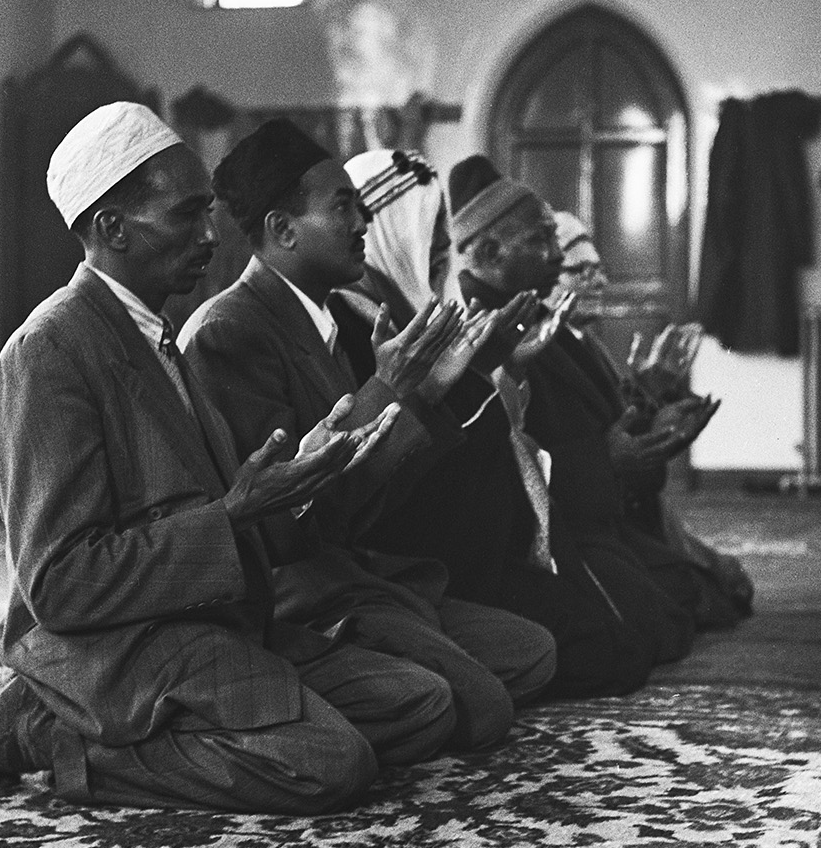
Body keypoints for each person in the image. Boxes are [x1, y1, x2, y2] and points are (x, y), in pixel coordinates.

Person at [0, 101, 457, 812]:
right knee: (330, 762)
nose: (212, 234)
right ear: (112, 228)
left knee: (424, 704)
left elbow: (228, 510)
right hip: (116, 647)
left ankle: (183, 727)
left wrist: (297, 477)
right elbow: (60, 584)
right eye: (187, 214)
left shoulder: (159, 335)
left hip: (210, 621)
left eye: (208, 212)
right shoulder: (49, 351)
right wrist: (232, 515)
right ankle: (55, 731)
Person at [180, 120, 557, 749]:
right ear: (282, 229)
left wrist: (426, 392)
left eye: (360, 207)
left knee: (532, 651)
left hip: (357, 575)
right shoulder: (231, 332)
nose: (361, 224)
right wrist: (390, 391)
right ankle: (282, 706)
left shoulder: (324, 319)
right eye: (343, 207)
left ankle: (383, 680)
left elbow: (372, 499)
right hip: (296, 596)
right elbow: (278, 521)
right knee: (474, 706)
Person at [343, 150, 662, 698]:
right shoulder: (368, 323)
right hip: (429, 560)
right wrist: (496, 368)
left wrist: (504, 366)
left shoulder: (447, 313)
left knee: (645, 623)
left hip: (493, 537)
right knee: (608, 644)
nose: (449, 256)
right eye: (436, 243)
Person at [451, 157, 702, 668]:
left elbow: (584, 421)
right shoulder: (480, 321)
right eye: (541, 240)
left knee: (683, 605)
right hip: (529, 536)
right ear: (491, 251)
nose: (553, 255)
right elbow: (502, 456)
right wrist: (606, 459)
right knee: (632, 645)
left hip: (583, 511)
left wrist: (649, 413)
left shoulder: (533, 313)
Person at [549, 211, 753, 626]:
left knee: (725, 588)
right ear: (545, 276)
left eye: (599, 270)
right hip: (584, 527)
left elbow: (617, 428)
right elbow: (575, 460)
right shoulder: (540, 351)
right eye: (579, 271)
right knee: (693, 599)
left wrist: (658, 398)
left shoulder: (585, 343)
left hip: (623, 510)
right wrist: (650, 424)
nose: (599, 283)